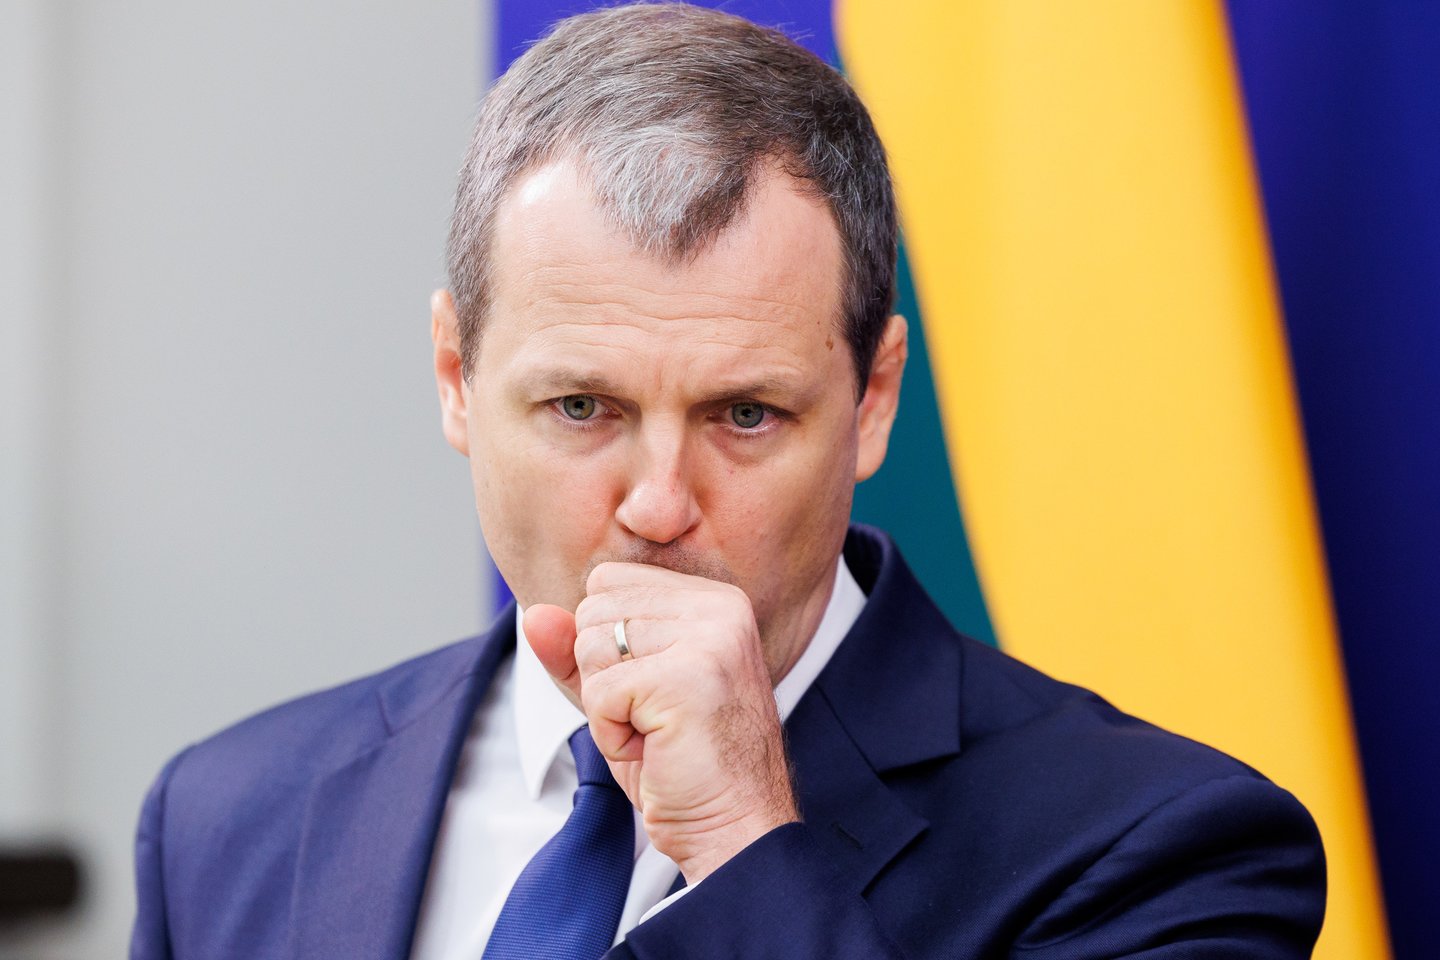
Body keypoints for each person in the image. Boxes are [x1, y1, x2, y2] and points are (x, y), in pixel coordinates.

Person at [130, 4, 1325, 958]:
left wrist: (745, 843)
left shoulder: (1159, 847)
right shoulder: (229, 817)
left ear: (873, 399)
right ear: (454, 376)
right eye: (581, 408)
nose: (658, 504)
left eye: (745, 415)